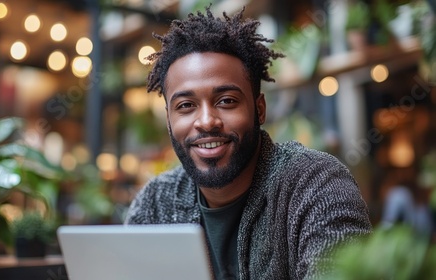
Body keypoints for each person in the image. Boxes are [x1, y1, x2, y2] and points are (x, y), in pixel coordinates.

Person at [125, 6, 372, 280]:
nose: (207, 121)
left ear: (260, 109)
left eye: (227, 101)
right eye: (186, 105)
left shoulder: (316, 186)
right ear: (169, 120)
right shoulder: (156, 204)